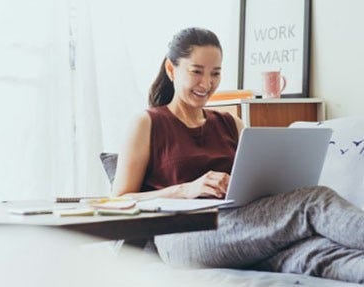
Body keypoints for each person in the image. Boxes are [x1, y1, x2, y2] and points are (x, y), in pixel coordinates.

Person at [112, 27, 364, 283]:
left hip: (241, 226)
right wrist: (185, 189)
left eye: (216, 73)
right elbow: (120, 200)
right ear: (171, 69)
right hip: (181, 235)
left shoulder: (230, 123)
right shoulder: (147, 122)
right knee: (313, 202)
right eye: (196, 72)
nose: (207, 84)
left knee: (316, 254)